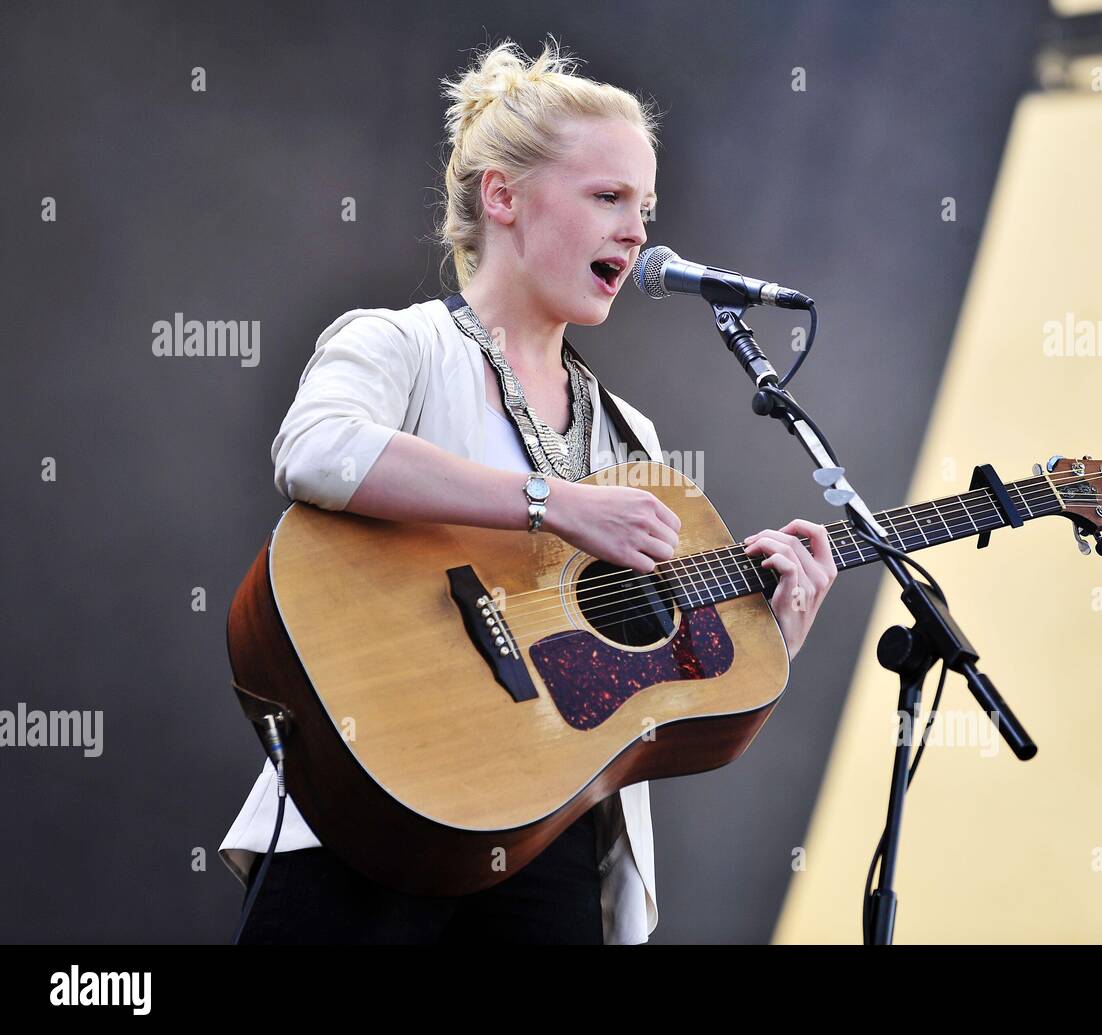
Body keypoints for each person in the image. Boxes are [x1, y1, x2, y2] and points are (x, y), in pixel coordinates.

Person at [219, 35, 837, 945]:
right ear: (501, 195)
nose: (637, 231)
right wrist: (553, 502)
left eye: (646, 207)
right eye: (608, 197)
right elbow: (317, 448)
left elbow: (647, 686)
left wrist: (766, 632)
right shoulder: (403, 344)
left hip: (550, 835)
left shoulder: (636, 438)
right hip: (374, 804)